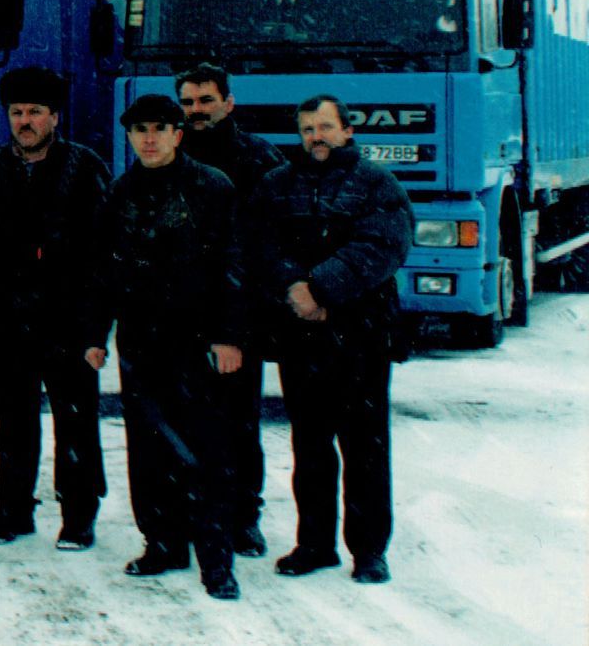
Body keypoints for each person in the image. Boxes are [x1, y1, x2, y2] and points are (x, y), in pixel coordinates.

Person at [248, 95, 412, 586]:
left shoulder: (376, 184)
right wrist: (293, 288)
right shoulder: (276, 185)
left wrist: (320, 288)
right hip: (301, 338)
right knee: (310, 446)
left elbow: (383, 244)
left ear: (346, 131)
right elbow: (259, 243)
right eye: (307, 130)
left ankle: (368, 551)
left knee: (365, 446)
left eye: (325, 127)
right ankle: (314, 545)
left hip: (362, 336)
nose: (316, 138)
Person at [94, 94, 245, 601]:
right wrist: (97, 335)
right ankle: (163, 543)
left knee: (208, 451)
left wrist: (228, 335)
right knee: (149, 449)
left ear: (179, 134)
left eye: (160, 128)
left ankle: (216, 559)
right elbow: (104, 272)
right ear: (130, 137)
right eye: (140, 130)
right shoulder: (120, 192)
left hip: (197, 340)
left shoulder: (211, 187)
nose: (150, 138)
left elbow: (232, 264)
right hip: (142, 339)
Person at [0, 66, 110, 549]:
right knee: (12, 420)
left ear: (55, 116)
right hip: (11, 317)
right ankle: (12, 510)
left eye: (35, 111)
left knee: (74, 419)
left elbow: (102, 251)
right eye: (17, 112)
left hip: (67, 318)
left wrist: (95, 324)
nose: (25, 121)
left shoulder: (84, 166)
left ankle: (78, 515)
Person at [175, 61, 286, 557]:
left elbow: (270, 240)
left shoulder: (259, 159)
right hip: (180, 315)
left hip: (239, 313)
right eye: (188, 102)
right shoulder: (167, 155)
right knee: (182, 421)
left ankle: (244, 518)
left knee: (240, 421)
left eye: (205, 100)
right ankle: (191, 514)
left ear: (228, 102)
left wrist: (245, 315)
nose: (196, 111)